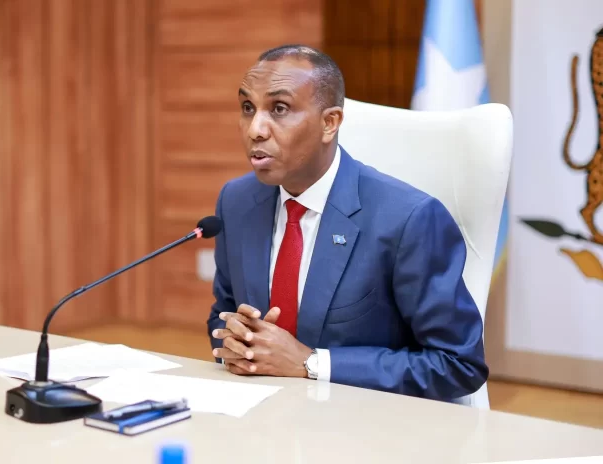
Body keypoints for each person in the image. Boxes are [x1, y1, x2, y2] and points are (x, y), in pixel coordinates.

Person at [206, 44, 488, 402]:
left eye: (279, 109)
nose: (255, 129)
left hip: (364, 422)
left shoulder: (409, 219)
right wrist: (236, 339)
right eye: (248, 108)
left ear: (330, 123)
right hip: (261, 416)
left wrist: (310, 363)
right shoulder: (237, 201)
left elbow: (458, 364)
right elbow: (222, 314)